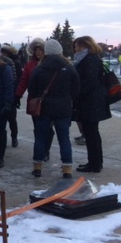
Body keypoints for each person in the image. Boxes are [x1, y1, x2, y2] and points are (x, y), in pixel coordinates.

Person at [28, 39, 80, 178]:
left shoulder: (39, 68)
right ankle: (67, 169)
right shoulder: (69, 68)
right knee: (64, 138)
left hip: (43, 108)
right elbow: (76, 89)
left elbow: (32, 89)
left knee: (40, 138)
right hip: (63, 108)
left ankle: (37, 167)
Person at [73, 36, 111, 173]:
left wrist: (76, 92)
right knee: (91, 133)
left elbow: (89, 82)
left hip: (91, 103)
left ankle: (94, 164)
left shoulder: (90, 60)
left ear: (85, 45)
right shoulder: (89, 58)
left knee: (91, 133)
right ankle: (95, 162)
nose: (75, 49)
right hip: (91, 102)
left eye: (77, 46)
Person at [15, 38, 55, 161]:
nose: (38, 52)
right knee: (37, 127)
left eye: (41, 49)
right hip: (35, 101)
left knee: (48, 128)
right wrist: (17, 95)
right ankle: (40, 150)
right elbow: (24, 81)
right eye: (36, 50)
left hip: (50, 100)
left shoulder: (50, 63)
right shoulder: (29, 65)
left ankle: (46, 150)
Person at [1, 43, 23, 147]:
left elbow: (18, 80)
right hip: (4, 94)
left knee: (12, 118)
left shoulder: (16, 63)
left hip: (12, 94)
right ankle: (2, 139)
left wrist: (16, 95)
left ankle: (14, 137)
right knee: (4, 119)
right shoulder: (1, 62)